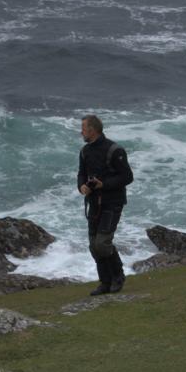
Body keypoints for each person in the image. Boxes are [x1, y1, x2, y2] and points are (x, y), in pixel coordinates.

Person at [77, 115, 134, 296]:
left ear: (92, 130)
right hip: (94, 202)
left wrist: (104, 185)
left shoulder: (114, 150)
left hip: (112, 202)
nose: (81, 132)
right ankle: (105, 282)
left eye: (83, 129)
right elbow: (81, 174)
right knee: (94, 245)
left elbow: (127, 177)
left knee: (102, 243)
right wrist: (82, 186)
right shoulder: (85, 151)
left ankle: (118, 275)